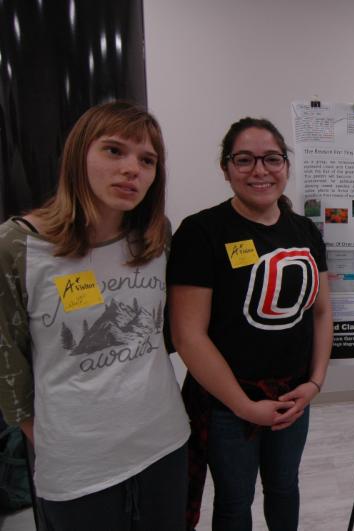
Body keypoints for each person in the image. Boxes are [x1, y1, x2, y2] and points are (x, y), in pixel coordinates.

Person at [0, 101, 190, 530]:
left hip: (163, 443)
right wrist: (49, 436)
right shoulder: (17, 245)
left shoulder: (156, 236)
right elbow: (8, 364)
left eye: (147, 160)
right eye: (114, 150)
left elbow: (163, 334)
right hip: (78, 465)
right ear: (78, 155)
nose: (131, 169)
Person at [167, 117, 333, 531]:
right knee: (234, 501)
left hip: (293, 396)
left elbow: (321, 311)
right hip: (228, 404)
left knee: (284, 487)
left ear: (286, 166)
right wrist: (244, 406)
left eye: (272, 158)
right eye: (244, 160)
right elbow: (188, 335)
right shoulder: (201, 232)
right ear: (226, 169)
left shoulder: (305, 230)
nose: (260, 170)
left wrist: (314, 383)